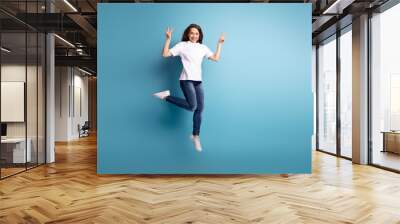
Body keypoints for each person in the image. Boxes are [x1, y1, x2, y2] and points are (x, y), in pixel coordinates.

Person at [153, 24, 225, 152]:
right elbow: (165, 54)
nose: (194, 35)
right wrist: (168, 39)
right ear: (188, 34)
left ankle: (195, 136)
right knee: (192, 106)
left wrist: (219, 44)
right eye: (192, 33)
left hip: (198, 81)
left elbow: (215, 58)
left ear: (200, 35)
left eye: (196, 34)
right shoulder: (182, 45)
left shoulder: (202, 47)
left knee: (200, 108)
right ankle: (166, 96)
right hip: (186, 80)